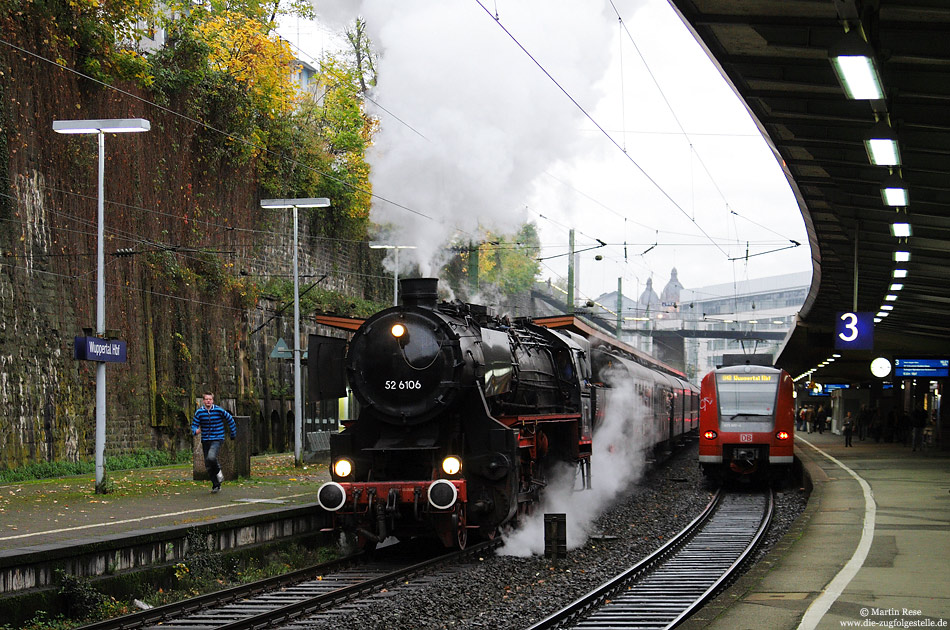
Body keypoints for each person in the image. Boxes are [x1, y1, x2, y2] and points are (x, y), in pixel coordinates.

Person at [191, 392, 237, 493]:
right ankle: (216, 485)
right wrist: (195, 431)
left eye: (210, 399)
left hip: (217, 438)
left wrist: (233, 433)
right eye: (206, 399)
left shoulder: (218, 410)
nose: (208, 401)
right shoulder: (199, 412)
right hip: (206, 439)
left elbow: (230, 419)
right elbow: (194, 424)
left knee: (211, 457)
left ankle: (218, 471)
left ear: (212, 400)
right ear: (203, 401)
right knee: (208, 465)